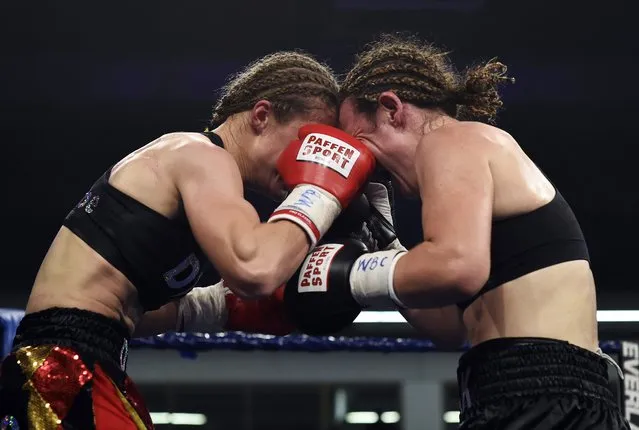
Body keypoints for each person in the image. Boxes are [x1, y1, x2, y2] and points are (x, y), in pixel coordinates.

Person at [0, 51, 377, 429]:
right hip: (63, 366)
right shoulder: (198, 155)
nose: (310, 160)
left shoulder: (209, 189)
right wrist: (320, 191)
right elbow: (254, 269)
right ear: (261, 116)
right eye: (308, 143)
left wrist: (215, 307)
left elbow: (123, 311)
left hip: (84, 359)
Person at [283, 35, 629, 429]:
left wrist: (352, 274)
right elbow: (450, 327)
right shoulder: (467, 161)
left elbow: (458, 267)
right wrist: (388, 245)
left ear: (391, 108)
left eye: (363, 142)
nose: (370, 167)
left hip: (544, 394)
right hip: (523, 391)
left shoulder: (450, 139)